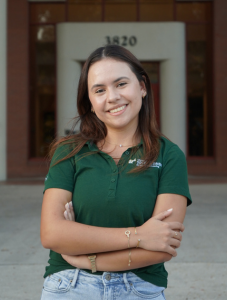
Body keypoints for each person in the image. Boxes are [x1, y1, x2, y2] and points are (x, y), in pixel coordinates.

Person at [40, 44, 192, 300]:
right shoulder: (69, 152)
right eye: (99, 90)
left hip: (140, 288)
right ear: (90, 101)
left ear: (142, 87)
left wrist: (87, 257)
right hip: (68, 285)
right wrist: (139, 235)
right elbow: (52, 233)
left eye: (121, 84)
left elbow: (162, 247)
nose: (112, 97)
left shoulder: (169, 155)